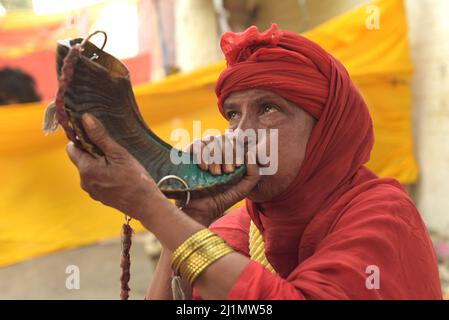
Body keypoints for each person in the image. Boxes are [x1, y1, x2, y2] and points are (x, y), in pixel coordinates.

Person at [66, 24, 442, 299]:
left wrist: (150, 209)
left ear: (327, 130)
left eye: (268, 109)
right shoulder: (243, 223)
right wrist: (189, 215)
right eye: (232, 114)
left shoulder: (383, 214)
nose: (240, 134)